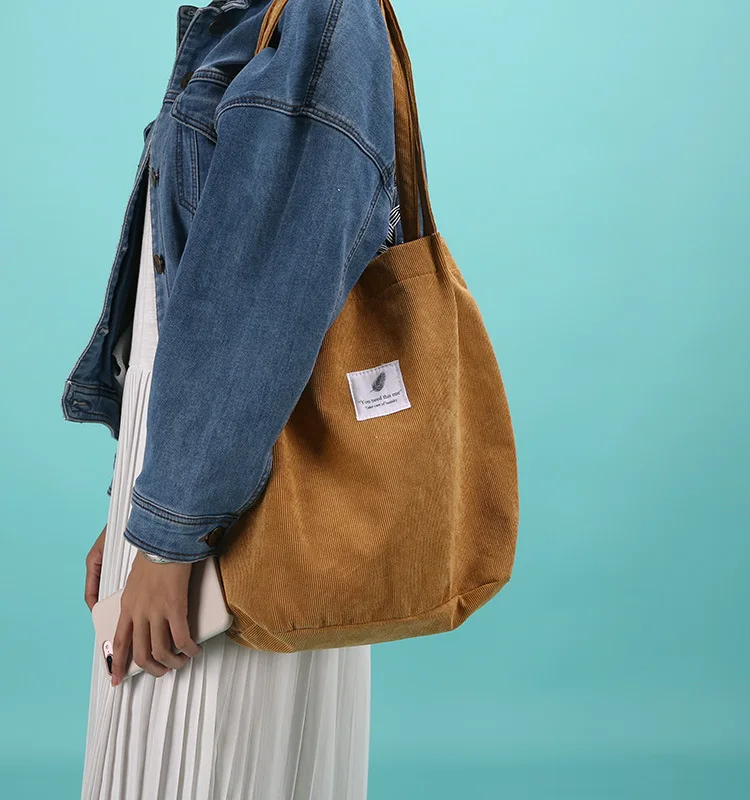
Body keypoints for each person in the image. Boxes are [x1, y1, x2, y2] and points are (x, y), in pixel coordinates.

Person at [66, 0, 403, 796]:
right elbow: (185, 302)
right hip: (196, 481)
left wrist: (167, 539)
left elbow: (258, 306)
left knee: (206, 766)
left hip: (235, 507)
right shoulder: (250, 16)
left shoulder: (319, 17)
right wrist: (132, 505)